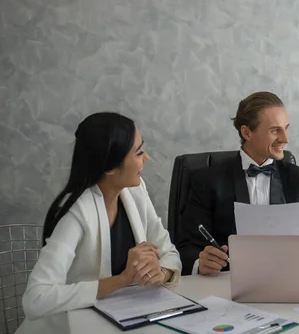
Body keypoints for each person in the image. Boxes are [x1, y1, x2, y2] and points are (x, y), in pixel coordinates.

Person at [17, 112, 181, 334]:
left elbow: (169, 252)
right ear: (110, 167)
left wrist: (160, 272)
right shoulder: (76, 213)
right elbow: (36, 299)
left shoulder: (136, 190)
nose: (147, 158)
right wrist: (122, 280)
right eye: (139, 152)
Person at [177, 91, 299, 276]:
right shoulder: (206, 181)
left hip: (288, 284)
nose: (286, 139)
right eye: (275, 130)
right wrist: (200, 262)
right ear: (247, 132)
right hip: (226, 289)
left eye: (286, 128)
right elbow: (186, 247)